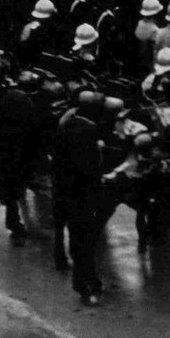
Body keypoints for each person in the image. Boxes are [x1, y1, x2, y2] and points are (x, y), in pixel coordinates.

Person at [53, 90, 107, 305]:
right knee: (86, 236)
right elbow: (93, 165)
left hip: (64, 186)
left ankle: (88, 279)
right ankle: (83, 283)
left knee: (76, 233)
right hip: (84, 191)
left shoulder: (66, 123)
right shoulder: (90, 130)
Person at [0, 70, 43, 246]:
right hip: (20, 150)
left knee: (9, 186)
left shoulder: (6, 97)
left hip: (3, 148)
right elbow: (33, 130)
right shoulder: (27, 103)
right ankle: (13, 222)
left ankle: (13, 221)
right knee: (18, 184)